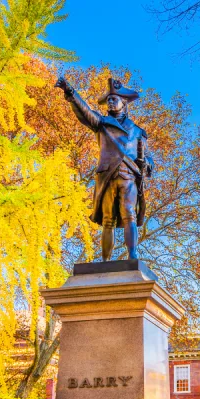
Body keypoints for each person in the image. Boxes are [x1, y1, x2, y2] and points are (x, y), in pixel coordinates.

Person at [55, 76, 153, 261]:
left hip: (128, 176)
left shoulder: (138, 131)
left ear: (124, 102)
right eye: (108, 99)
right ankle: (105, 260)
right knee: (108, 219)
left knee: (129, 215)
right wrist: (70, 92)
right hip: (107, 176)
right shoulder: (101, 123)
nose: (110, 101)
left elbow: (149, 159)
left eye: (114, 99)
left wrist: (145, 163)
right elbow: (85, 112)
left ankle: (132, 256)